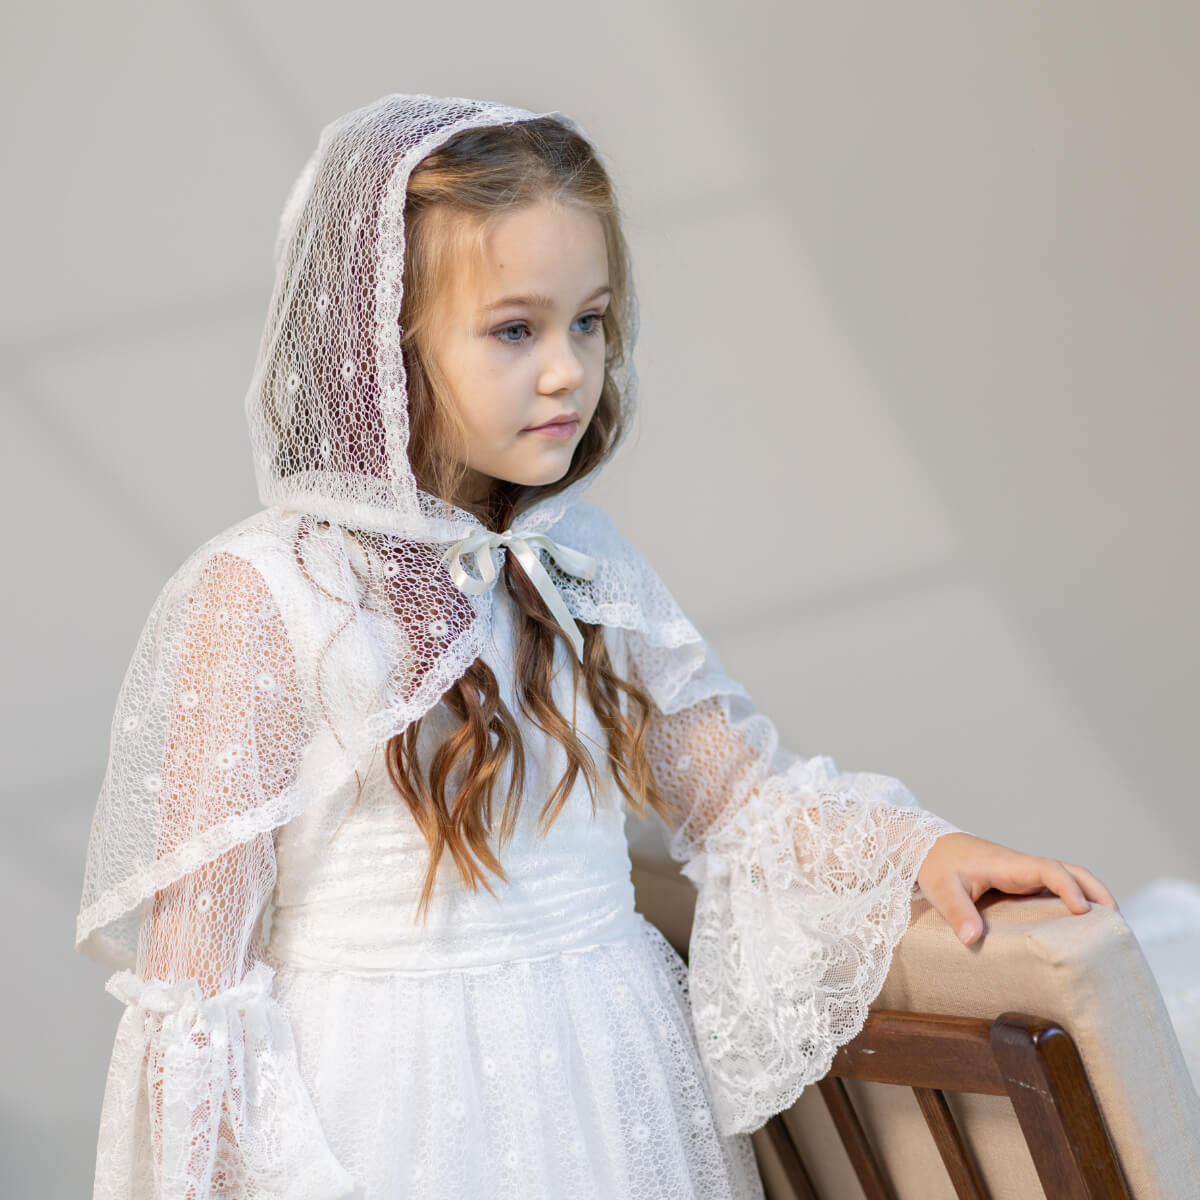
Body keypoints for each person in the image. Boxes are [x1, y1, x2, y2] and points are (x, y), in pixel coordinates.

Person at [75, 94, 1119, 1199]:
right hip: (391, 1100)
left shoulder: (581, 562)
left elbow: (738, 802)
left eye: (591, 321)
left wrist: (925, 852)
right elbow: (196, 996)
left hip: (610, 1076)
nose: (571, 369)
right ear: (382, 344)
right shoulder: (267, 595)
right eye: (516, 329)